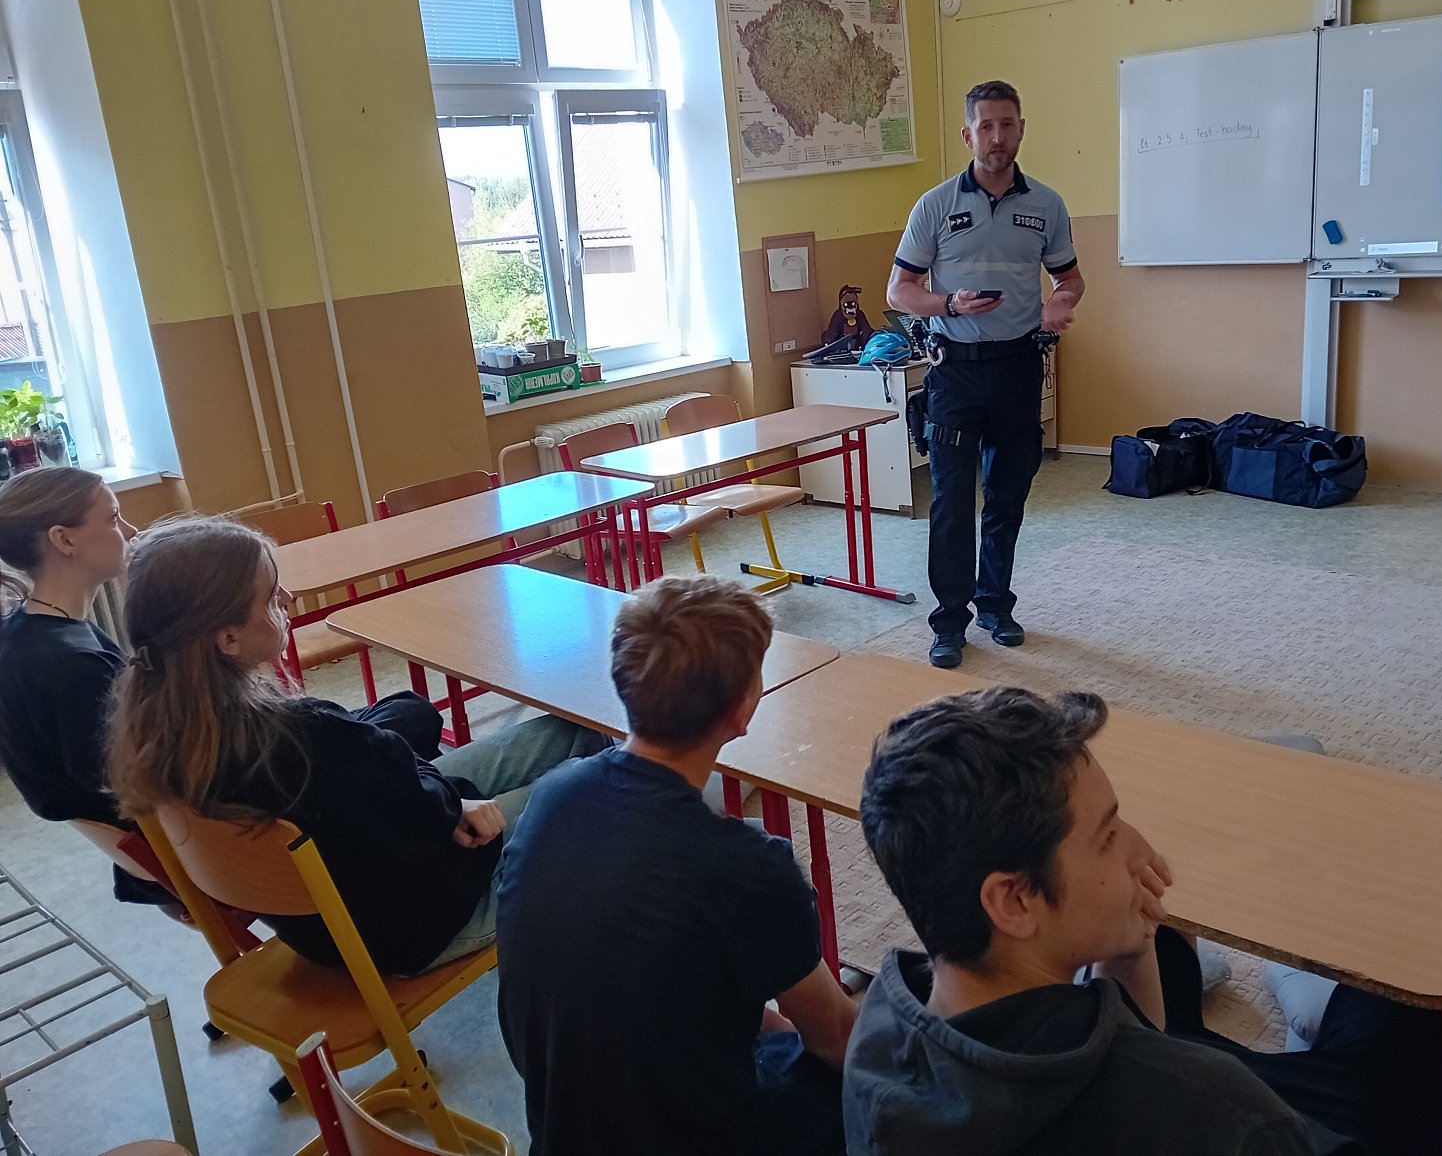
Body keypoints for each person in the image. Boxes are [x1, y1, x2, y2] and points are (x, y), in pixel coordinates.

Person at [847, 686, 1442, 1156]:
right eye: (1108, 834)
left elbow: (1136, 1043)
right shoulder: (1222, 1113)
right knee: (1418, 968)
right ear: (1014, 901)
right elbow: (1171, 1085)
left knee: (1159, 945)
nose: (1138, 848)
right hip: (1308, 1123)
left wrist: (1129, 945)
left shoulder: (877, 1039)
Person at [105, 515, 606, 975]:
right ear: (228, 639)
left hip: (338, 925)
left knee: (563, 731)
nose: (289, 599)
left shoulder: (158, 732)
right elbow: (421, 807)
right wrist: (451, 804)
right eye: (272, 597)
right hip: (422, 924)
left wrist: (442, 798)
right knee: (594, 784)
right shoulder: (306, 735)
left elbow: (398, 783)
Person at [497, 575, 857, 1156]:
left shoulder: (554, 795)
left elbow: (656, 982)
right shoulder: (749, 869)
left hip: (561, 1129)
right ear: (742, 709)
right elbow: (835, 1038)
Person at [888, 79, 1085, 669]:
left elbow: (1070, 278)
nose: (997, 137)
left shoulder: (1046, 204)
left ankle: (995, 604)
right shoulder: (935, 205)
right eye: (986, 126)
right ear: (967, 134)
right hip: (955, 372)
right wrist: (948, 304)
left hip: (1019, 367)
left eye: (1007, 125)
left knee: (1007, 495)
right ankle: (949, 622)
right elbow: (899, 291)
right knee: (952, 501)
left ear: (1021, 130)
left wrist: (1060, 303)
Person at [0, 468, 178, 908]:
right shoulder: (73, 666)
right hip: (188, 854)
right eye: (114, 518)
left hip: (159, 848)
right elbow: (129, 783)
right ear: (64, 540)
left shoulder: (26, 634)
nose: (130, 531)